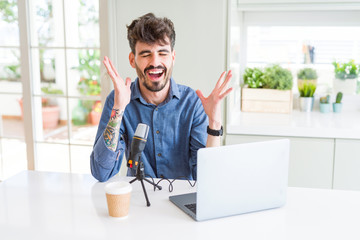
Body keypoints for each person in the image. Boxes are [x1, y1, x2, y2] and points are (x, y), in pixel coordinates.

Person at [90, 13, 232, 182]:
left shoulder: (192, 103)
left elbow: (208, 178)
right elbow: (101, 172)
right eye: (145, 54)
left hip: (181, 200)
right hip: (138, 199)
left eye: (162, 53)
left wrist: (214, 123)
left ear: (173, 57)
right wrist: (118, 109)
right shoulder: (118, 100)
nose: (155, 62)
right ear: (132, 59)